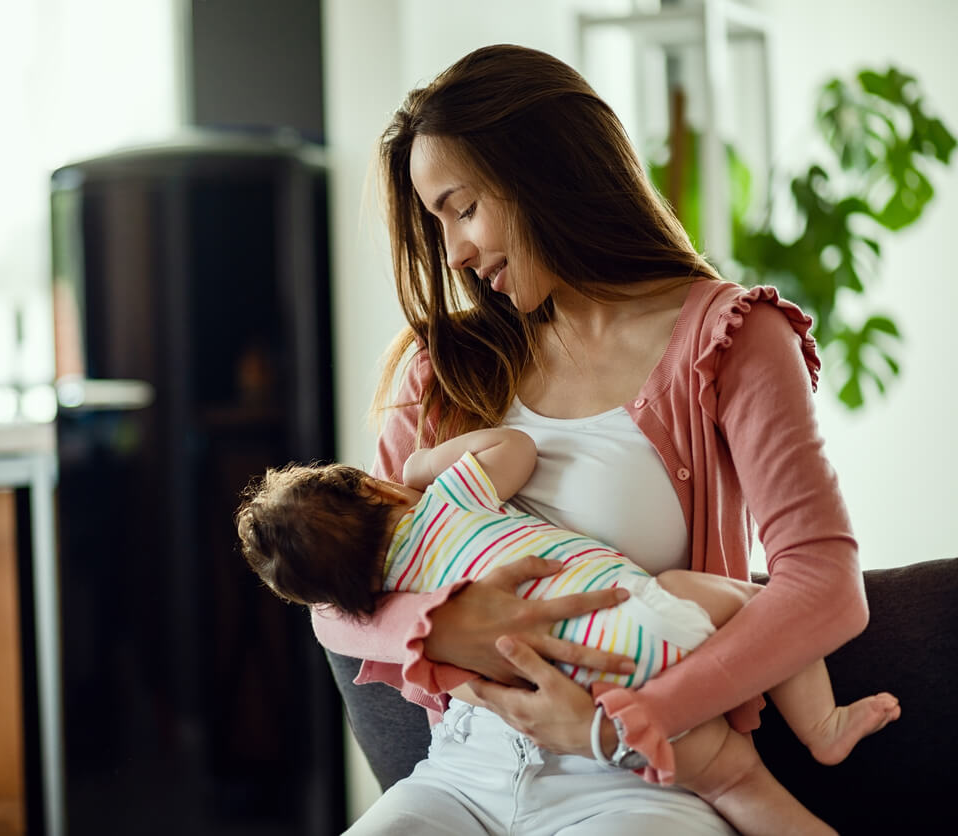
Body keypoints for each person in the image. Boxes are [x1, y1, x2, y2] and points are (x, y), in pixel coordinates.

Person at [310, 43, 877, 834]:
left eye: (464, 208)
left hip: (640, 778)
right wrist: (441, 625)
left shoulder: (731, 339)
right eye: (438, 224)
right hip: (461, 773)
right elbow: (334, 599)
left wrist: (634, 719)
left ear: (543, 170)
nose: (456, 254)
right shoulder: (443, 368)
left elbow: (823, 584)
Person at [238, 427, 899, 834]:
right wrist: (424, 465)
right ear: (378, 492)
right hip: (642, 631)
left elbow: (337, 620)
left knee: (734, 783)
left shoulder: (397, 598)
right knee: (754, 605)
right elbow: (516, 448)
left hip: (570, 690)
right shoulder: (447, 498)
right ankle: (822, 726)